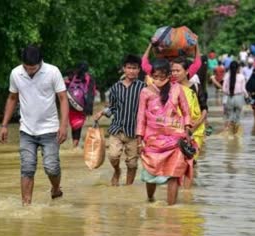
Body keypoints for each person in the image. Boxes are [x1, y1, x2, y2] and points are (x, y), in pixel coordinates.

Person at [0, 45, 68, 206]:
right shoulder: (16, 73)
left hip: (50, 129)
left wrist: (63, 126)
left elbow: (63, 99)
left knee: (51, 167)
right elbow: (12, 98)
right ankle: (26, 205)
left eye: (33, 68)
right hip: (26, 130)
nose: (29, 71)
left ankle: (56, 188)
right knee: (27, 168)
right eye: (26, 68)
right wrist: (4, 125)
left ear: (40, 63)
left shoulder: (52, 72)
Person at [136, 59, 192, 205]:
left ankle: (171, 208)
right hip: (152, 140)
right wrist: (139, 139)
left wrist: (187, 130)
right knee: (150, 173)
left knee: (174, 174)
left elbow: (186, 112)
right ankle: (150, 200)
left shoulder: (177, 89)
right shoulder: (145, 92)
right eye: (155, 77)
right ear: (151, 76)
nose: (159, 80)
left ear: (168, 75)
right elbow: (141, 117)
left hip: (175, 139)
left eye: (162, 77)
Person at [93, 54, 146, 186]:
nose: (132, 71)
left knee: (132, 163)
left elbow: (148, 109)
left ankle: (128, 188)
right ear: (124, 69)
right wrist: (102, 113)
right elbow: (112, 107)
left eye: (135, 68)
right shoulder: (116, 88)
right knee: (113, 156)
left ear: (139, 70)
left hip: (134, 132)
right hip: (117, 129)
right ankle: (117, 171)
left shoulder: (143, 88)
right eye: (129, 68)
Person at [172, 56, 207, 162]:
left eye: (178, 70)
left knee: (191, 161)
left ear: (187, 71)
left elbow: (204, 108)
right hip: (176, 130)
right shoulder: (171, 89)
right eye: (172, 71)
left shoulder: (196, 87)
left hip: (195, 131)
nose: (174, 73)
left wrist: (196, 124)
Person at [65, 62, 96, 149]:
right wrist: (89, 110)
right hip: (82, 105)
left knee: (73, 124)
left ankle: (74, 144)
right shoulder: (90, 79)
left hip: (71, 104)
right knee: (79, 125)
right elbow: (91, 94)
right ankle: (76, 144)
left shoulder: (71, 76)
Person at [222, 61, 249, 134]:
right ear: (238, 68)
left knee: (229, 117)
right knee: (237, 118)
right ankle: (235, 135)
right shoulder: (242, 77)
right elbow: (243, 89)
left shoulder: (227, 76)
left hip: (230, 98)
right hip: (239, 98)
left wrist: (228, 93)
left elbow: (224, 89)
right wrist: (247, 97)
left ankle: (228, 134)